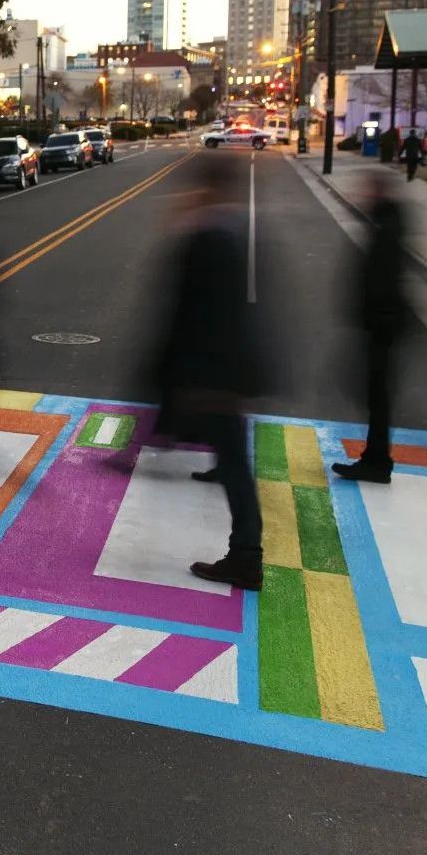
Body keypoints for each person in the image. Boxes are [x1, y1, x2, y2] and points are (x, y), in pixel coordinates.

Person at [142, 153, 268, 589]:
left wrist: (179, 373)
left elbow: (191, 314)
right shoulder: (232, 230)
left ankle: (246, 555)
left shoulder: (209, 237)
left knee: (235, 463)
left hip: (213, 371)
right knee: (232, 456)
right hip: (227, 368)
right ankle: (246, 551)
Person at [332, 170, 409, 483]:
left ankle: (377, 462)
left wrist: (372, 317)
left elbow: (383, 278)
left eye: (368, 189)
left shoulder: (387, 227)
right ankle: (375, 458)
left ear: (379, 192)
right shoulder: (385, 222)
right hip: (381, 323)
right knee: (376, 396)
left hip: (382, 324)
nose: (361, 195)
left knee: (377, 397)